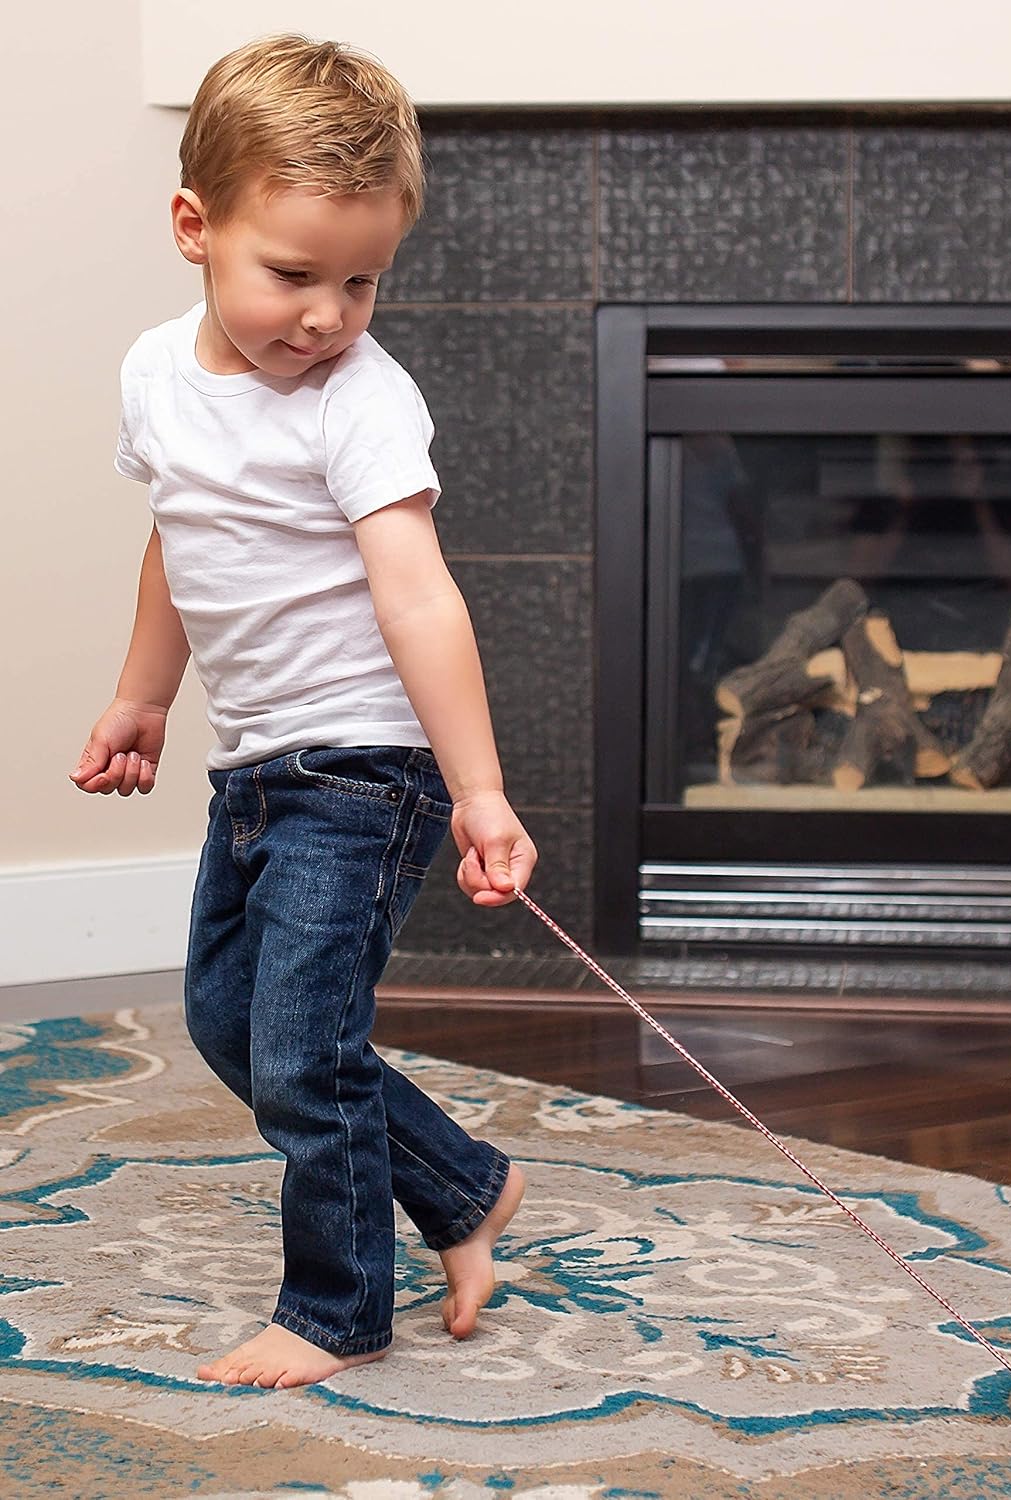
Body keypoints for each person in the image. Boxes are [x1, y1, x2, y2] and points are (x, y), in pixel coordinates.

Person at [69, 33, 536, 1390]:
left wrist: (482, 791)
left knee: (302, 1047)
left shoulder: (364, 402)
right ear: (193, 231)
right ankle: (462, 1188)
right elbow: (178, 538)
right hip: (254, 766)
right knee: (232, 1025)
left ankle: (335, 1309)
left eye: (362, 281)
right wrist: (143, 696)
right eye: (293, 276)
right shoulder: (156, 377)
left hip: (367, 769)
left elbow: (420, 598)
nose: (328, 314)